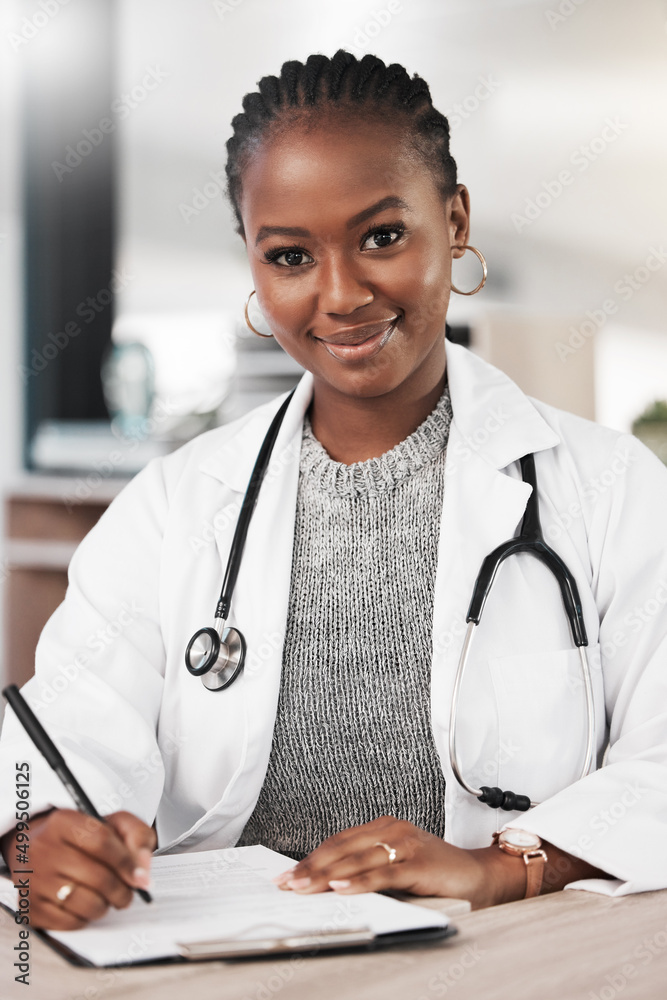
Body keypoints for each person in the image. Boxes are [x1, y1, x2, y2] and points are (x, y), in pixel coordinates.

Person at [1, 50, 666, 932]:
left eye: (381, 236)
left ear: (455, 220)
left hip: (505, 962)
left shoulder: (609, 488)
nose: (341, 294)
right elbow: (61, 738)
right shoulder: (175, 505)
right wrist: (33, 835)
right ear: (252, 262)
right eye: (288, 255)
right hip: (229, 964)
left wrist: (498, 866)